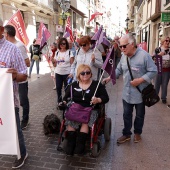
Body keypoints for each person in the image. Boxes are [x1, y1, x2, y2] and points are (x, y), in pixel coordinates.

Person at [103, 33, 157, 144]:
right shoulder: (123, 56)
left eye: (124, 46)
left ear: (132, 44)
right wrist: (110, 77)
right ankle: (126, 133)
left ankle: (137, 133)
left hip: (140, 93)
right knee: (126, 114)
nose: (121, 48)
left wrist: (140, 80)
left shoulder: (144, 56)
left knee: (139, 115)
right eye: (120, 46)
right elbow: (119, 70)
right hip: (126, 93)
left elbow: (153, 70)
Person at [62, 64, 109, 155]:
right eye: (82, 73)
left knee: (85, 121)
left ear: (91, 74)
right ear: (78, 74)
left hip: (90, 108)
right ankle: (71, 142)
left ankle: (80, 144)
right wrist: (63, 102)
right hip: (76, 109)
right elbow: (65, 98)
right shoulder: (73, 85)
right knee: (71, 117)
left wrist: (98, 99)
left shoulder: (97, 85)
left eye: (88, 72)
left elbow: (106, 97)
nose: (85, 75)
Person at [0, 18, 28, 169]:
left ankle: (22, 153)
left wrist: (14, 75)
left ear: (0, 30)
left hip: (9, 101)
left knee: (16, 130)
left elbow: (24, 75)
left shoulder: (13, 49)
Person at [4, 25, 30, 130]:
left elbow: (27, 63)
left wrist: (15, 66)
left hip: (20, 81)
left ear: (6, 34)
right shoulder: (6, 46)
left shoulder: (18, 46)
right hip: (11, 84)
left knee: (23, 101)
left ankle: (25, 120)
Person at [51, 38, 74, 104]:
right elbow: (55, 65)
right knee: (58, 88)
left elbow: (72, 64)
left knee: (67, 89)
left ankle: (66, 101)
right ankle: (59, 101)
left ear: (66, 44)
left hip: (67, 73)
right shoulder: (57, 52)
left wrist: (71, 73)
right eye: (60, 44)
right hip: (58, 73)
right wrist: (53, 61)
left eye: (63, 44)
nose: (62, 45)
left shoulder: (69, 52)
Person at [153, 36, 170, 104]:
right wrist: (158, 55)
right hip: (158, 69)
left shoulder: (169, 50)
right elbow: (152, 58)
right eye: (166, 40)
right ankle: (155, 97)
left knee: (165, 84)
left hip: (167, 70)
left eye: (169, 41)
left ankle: (163, 98)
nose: (168, 42)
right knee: (156, 84)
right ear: (162, 41)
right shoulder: (158, 49)